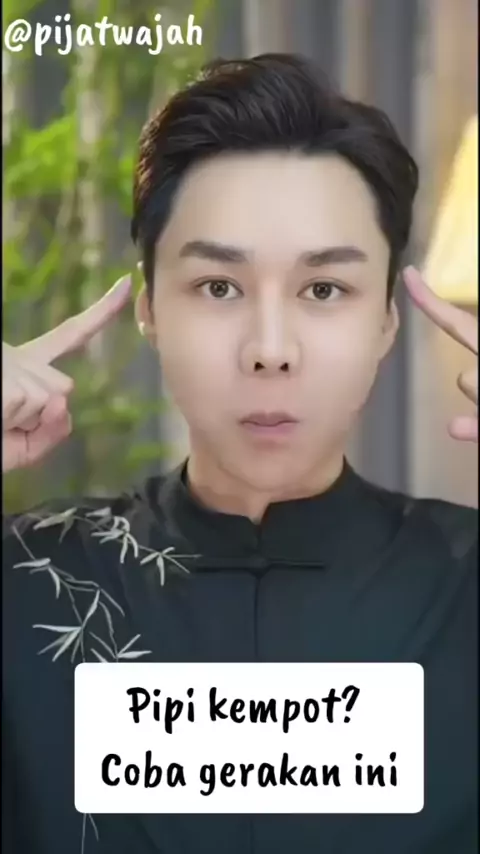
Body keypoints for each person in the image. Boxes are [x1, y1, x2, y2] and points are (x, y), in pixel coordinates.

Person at [2, 54, 477, 854]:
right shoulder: (26, 581)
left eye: (324, 289)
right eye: (218, 287)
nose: (269, 349)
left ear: (386, 322)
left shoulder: (466, 584)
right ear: (150, 310)